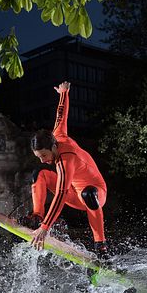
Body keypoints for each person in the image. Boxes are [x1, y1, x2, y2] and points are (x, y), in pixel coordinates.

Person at [24, 81, 110, 258]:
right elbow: (61, 115)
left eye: (44, 156)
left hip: (96, 194)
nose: (44, 160)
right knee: (39, 173)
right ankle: (37, 216)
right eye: (39, 157)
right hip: (73, 191)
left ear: (54, 148)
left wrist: (45, 229)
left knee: (88, 193)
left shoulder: (65, 159)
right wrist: (64, 93)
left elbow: (60, 196)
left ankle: (101, 246)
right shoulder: (57, 135)